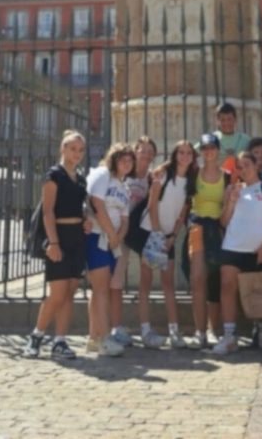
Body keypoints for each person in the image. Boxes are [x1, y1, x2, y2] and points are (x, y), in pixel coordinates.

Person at [22, 131, 87, 361]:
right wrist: (53, 242)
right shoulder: (53, 175)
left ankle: (60, 341)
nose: (76, 154)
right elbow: (48, 211)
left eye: (80, 150)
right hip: (58, 236)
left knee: (70, 292)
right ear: (63, 148)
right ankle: (36, 336)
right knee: (57, 295)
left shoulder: (80, 178)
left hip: (78, 238)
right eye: (72, 149)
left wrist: (86, 221)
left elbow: (79, 208)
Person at [213, 152, 262, 355]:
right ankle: (229, 336)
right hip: (233, 246)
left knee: (261, 291)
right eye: (239, 166)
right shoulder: (232, 190)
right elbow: (224, 222)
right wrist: (231, 202)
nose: (243, 169)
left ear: (256, 166)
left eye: (247, 165)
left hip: (261, 249)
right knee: (227, 286)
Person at [131, 140, 196, 349]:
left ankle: (174, 332)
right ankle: (145, 330)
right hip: (150, 232)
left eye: (189, 153)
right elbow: (151, 205)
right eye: (181, 152)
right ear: (175, 155)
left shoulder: (191, 180)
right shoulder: (163, 174)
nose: (185, 156)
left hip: (167, 236)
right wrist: (159, 235)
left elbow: (183, 212)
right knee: (146, 282)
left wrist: (173, 236)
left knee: (168, 284)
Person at [85, 142, 135, 358]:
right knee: (101, 289)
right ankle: (104, 338)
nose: (127, 162)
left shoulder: (125, 187)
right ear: (113, 159)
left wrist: (118, 238)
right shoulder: (102, 174)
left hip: (111, 242)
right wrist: (111, 234)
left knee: (100, 290)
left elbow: (125, 219)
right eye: (122, 158)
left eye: (130, 159)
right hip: (97, 236)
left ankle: (94, 337)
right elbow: (96, 203)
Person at [109, 136, 156, 347]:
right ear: (135, 152)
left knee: (146, 279)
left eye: (149, 151)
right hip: (122, 231)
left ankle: (146, 328)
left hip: (143, 232)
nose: (145, 154)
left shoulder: (153, 178)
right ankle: (116, 327)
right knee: (116, 280)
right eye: (141, 150)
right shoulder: (123, 176)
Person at [187, 133, 228, 348]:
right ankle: (199, 331)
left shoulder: (228, 176)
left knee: (215, 281)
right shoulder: (194, 174)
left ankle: (214, 329)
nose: (208, 152)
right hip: (198, 227)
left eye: (212, 147)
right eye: (204, 148)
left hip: (218, 229)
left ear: (218, 150)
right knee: (198, 279)